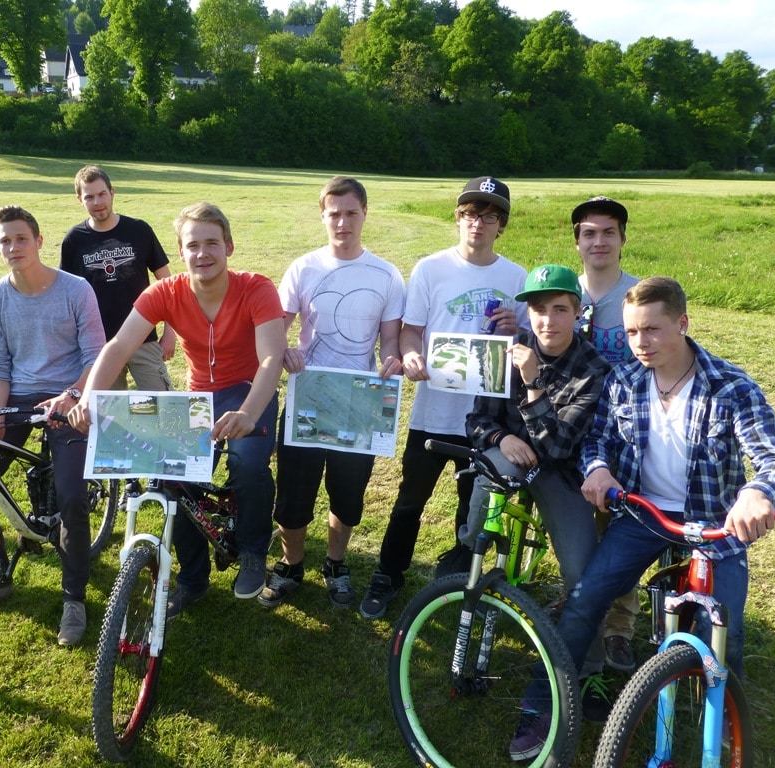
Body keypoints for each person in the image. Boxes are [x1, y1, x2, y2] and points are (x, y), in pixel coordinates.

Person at [510, 276, 775, 762]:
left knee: (724, 625)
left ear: (683, 323)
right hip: (643, 513)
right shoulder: (624, 381)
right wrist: (598, 469)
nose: (641, 343)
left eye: (652, 330)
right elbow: (599, 438)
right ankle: (546, 703)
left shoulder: (731, 386)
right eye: (631, 333)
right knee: (584, 600)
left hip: (714, 521)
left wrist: (757, 492)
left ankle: (727, 708)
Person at [68, 202, 286, 615]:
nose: (202, 253)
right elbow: (118, 346)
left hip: (248, 390)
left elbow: (271, 360)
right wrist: (90, 397)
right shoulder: (165, 291)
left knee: (248, 461)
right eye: (192, 245)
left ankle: (254, 551)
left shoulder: (256, 288)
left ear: (229, 247)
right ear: (180, 253)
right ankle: (192, 578)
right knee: (172, 477)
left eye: (212, 244)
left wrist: (249, 413)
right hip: (199, 393)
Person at [360, 176, 528, 621]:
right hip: (434, 411)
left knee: (472, 506)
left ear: (501, 225)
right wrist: (412, 354)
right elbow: (412, 329)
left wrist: (517, 330)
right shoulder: (431, 268)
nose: (478, 222)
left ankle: (456, 573)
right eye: (470, 213)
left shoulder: (516, 277)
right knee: (409, 501)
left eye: (488, 215)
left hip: (486, 419)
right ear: (458, 218)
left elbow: (527, 348)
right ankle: (388, 574)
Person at [465, 264, 612, 724]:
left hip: (560, 472)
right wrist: (498, 439)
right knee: (476, 532)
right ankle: (471, 582)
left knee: (582, 572)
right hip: (509, 455)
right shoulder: (504, 351)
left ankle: (590, 668)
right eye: (538, 310)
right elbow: (477, 420)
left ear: (578, 312)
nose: (547, 320)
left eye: (559, 309)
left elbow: (559, 447)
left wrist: (531, 383)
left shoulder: (593, 369)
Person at [0, 205, 105, 646]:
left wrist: (74, 395)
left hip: (71, 396)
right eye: (5, 240)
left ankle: (73, 598)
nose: (13, 247)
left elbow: (95, 357)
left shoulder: (76, 290)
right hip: (18, 397)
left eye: (21, 238)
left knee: (73, 497)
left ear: (39, 242)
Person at [259, 176, 405, 610]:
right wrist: (283, 349)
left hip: (358, 404)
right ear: (322, 215)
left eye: (351, 213)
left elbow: (391, 341)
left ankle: (336, 565)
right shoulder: (304, 268)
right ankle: (291, 564)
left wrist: (392, 361)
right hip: (309, 396)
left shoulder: (387, 275)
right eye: (334, 214)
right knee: (294, 493)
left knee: (347, 494)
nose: (342, 222)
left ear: (365, 214)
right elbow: (275, 331)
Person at [573, 195, 642, 672]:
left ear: (621, 238)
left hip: (626, 431)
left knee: (622, 529)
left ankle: (620, 626)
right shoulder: (563, 294)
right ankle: (576, 605)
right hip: (573, 429)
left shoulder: (641, 295)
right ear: (577, 241)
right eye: (589, 232)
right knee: (578, 530)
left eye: (608, 232)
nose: (599, 241)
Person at [60, 164, 175, 389]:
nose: (98, 202)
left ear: (112, 192)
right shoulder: (74, 240)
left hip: (143, 334)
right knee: (110, 414)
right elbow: (66, 295)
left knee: (164, 406)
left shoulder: (139, 230)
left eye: (102, 194)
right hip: (99, 343)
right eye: (89, 197)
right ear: (79, 199)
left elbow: (167, 284)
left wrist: (170, 332)